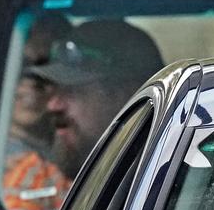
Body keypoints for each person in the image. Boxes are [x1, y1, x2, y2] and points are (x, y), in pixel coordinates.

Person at [30, 20, 164, 180]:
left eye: (73, 91)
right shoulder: (34, 178)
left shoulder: (171, 178)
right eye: (56, 89)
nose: (53, 105)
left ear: (127, 97)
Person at [3, 14, 72, 210]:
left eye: (49, 71)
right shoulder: (6, 166)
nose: (33, 83)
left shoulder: (73, 150)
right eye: (21, 69)